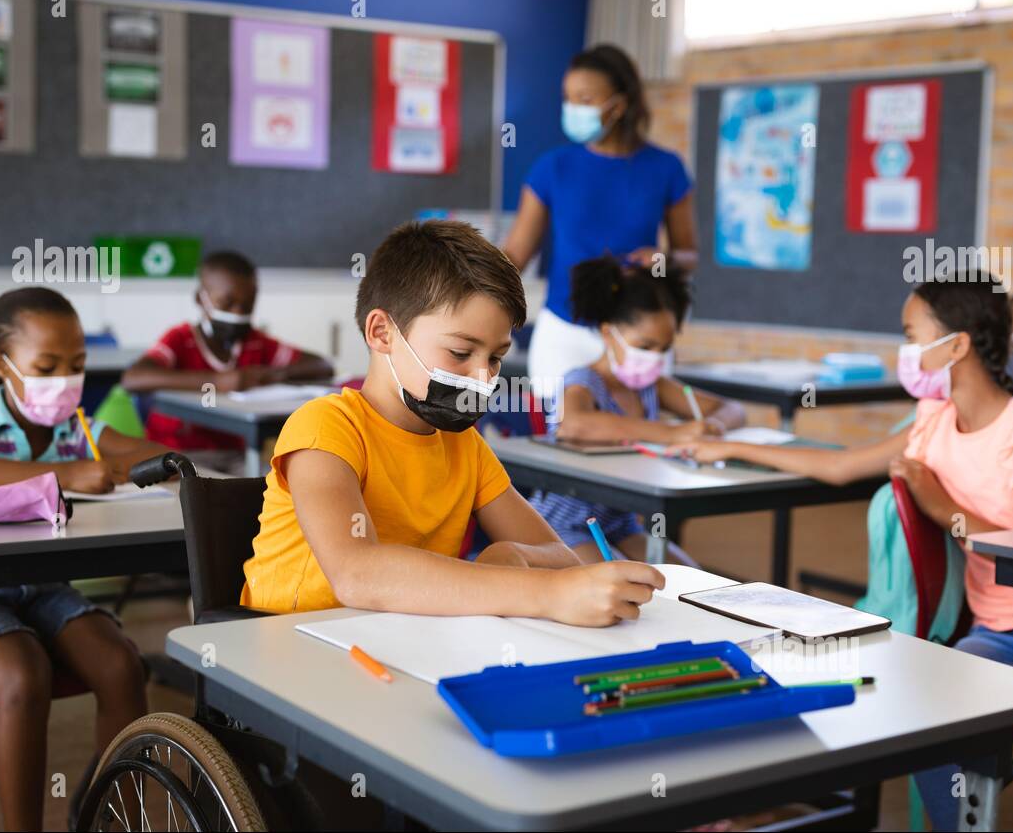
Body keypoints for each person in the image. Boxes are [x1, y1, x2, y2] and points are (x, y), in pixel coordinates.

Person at [673, 273, 1013, 831]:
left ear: (957, 344)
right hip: (993, 636)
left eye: (912, 335)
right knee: (927, 732)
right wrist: (722, 445)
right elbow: (840, 464)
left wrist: (942, 506)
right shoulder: (933, 424)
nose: (906, 352)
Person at [239, 220, 665, 622]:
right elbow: (357, 573)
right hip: (291, 650)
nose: (483, 377)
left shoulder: (464, 445)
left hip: (397, 642)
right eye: (461, 353)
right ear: (382, 333)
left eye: (495, 357)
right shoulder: (326, 428)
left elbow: (558, 555)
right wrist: (544, 594)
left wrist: (516, 555)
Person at [0, 286, 169, 830]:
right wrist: (64, 475)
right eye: (46, 365)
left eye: (77, 364)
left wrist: (120, 467)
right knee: (24, 675)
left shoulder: (75, 427)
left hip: (43, 587)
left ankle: (104, 817)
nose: (64, 378)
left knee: (121, 666)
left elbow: (153, 454)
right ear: (0, 365)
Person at [502, 44, 697, 400]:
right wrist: (461, 281)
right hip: (566, 329)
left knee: (646, 431)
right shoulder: (553, 168)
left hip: (640, 334)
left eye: (585, 99)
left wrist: (663, 261)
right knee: (568, 435)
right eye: (568, 98)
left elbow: (689, 255)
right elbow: (516, 253)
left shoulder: (666, 168)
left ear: (618, 106)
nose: (573, 107)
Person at [531, 256, 744, 563]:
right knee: (621, 587)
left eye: (664, 348)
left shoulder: (652, 385)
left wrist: (714, 425)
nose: (654, 358)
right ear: (608, 333)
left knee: (689, 577)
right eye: (644, 346)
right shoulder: (583, 381)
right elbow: (573, 424)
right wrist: (673, 433)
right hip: (564, 525)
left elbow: (732, 408)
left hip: (619, 525)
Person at [123, 250, 333, 471]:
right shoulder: (181, 339)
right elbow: (133, 378)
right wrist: (218, 381)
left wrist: (271, 375)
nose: (238, 313)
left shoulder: (254, 342)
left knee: (281, 482)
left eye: (247, 305)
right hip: (175, 457)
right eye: (227, 303)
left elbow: (322, 365)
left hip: (234, 457)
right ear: (200, 299)